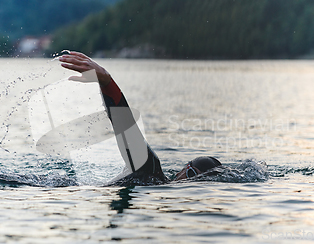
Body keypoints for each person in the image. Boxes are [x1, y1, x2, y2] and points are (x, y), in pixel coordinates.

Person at [59, 51, 222, 186]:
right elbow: (125, 127)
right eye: (191, 174)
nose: (190, 184)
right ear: (181, 170)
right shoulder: (151, 171)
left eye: (198, 182)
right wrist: (107, 82)